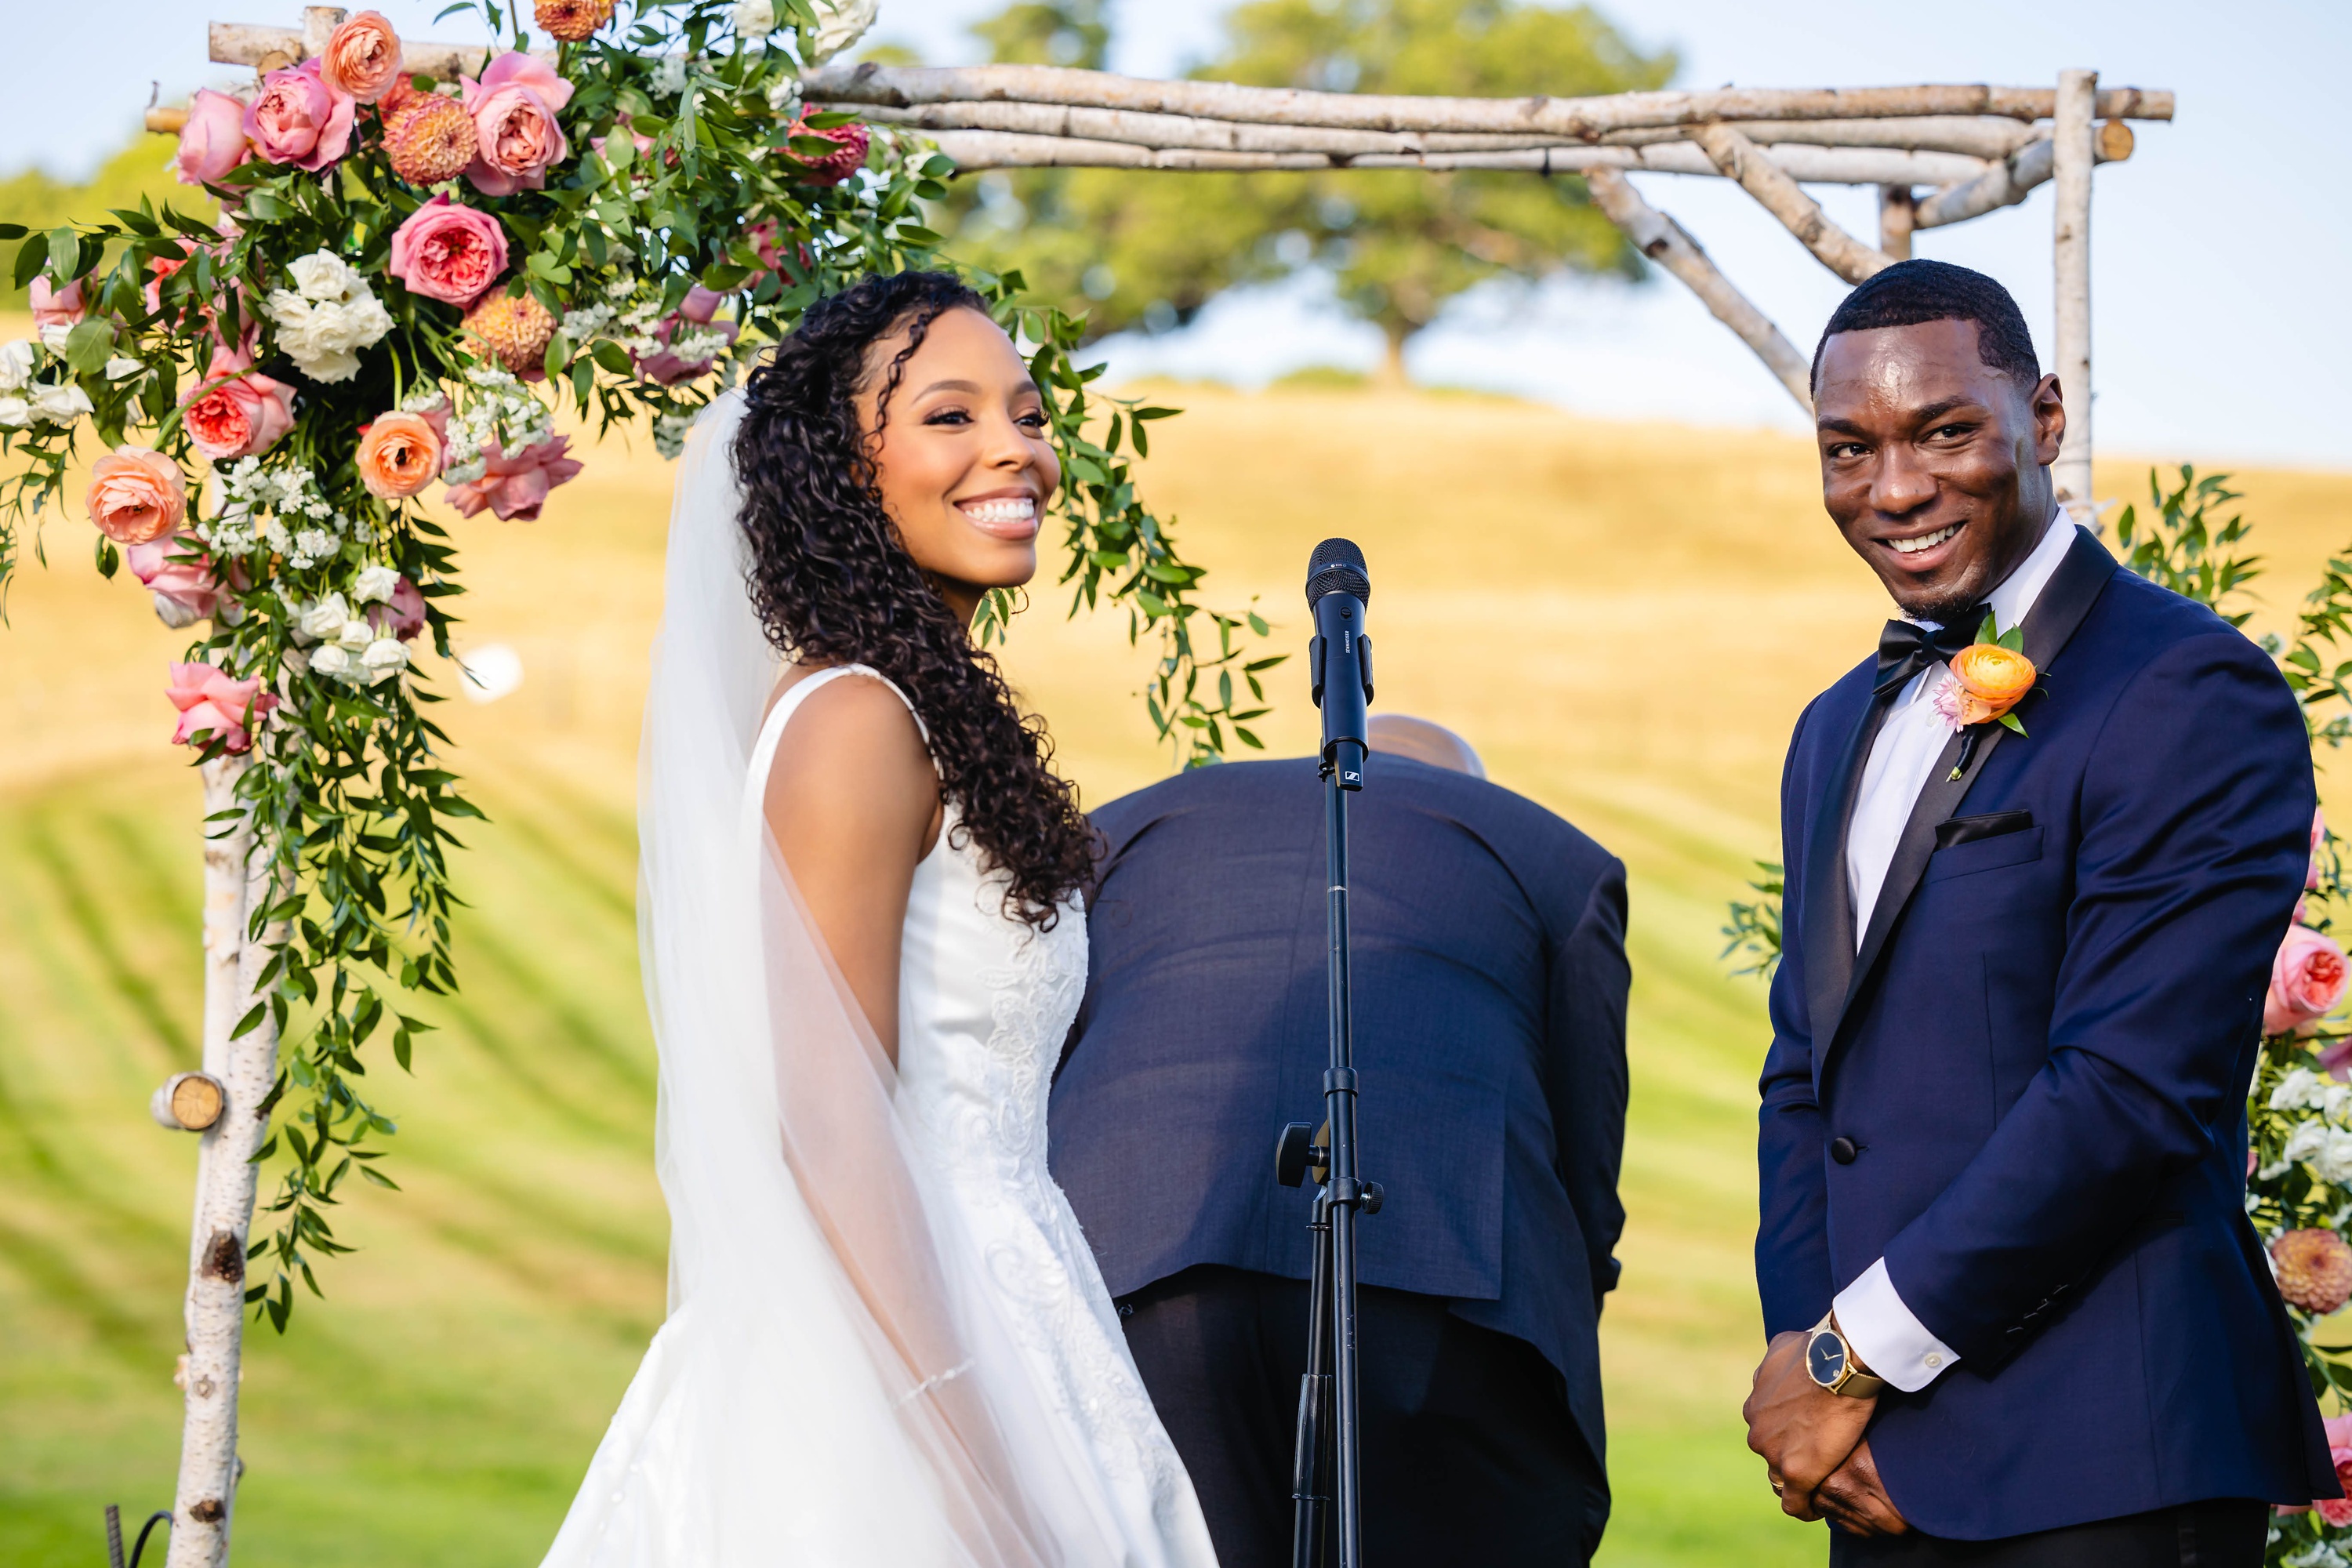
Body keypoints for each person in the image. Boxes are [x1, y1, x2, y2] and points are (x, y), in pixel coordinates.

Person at [543, 271, 1218, 1566]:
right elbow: (830, 1121)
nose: (1014, 447)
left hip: (1018, 1296)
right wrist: (983, 1489)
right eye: (950, 417)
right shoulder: (860, 721)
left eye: (1025, 412)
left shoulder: (927, 715)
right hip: (901, 1350)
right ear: (847, 474)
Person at [1747, 258, 2336, 1566]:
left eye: (1945, 431)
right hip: (1873, 1461)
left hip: (2103, 1461)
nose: (1895, 488)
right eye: (1850, 450)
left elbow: (2131, 1091)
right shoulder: (1835, 726)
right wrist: (1810, 1359)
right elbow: (1805, 1079)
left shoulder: (2188, 687)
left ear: (2047, 420)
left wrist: (1851, 1361)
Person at [1051, 713, 1630, 1566]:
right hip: (1439, 1273)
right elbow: (1585, 1156)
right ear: (1465, 788)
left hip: (1133, 1256)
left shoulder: (1128, 826)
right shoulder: (1548, 853)